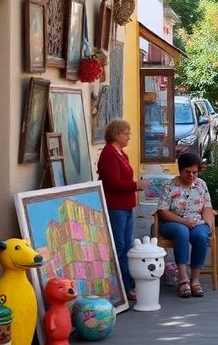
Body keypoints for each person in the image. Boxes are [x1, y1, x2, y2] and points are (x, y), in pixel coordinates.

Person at [97, 118, 148, 302]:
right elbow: (115, 182)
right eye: (126, 134)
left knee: (126, 246)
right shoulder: (109, 154)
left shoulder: (121, 153)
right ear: (116, 134)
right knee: (118, 246)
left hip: (126, 205)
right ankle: (119, 286)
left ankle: (126, 285)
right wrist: (136, 185)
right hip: (116, 206)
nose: (128, 137)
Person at [156, 152, 215, 298]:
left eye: (195, 172)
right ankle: (183, 279)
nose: (191, 176)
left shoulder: (201, 184)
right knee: (182, 232)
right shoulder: (169, 186)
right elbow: (162, 211)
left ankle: (195, 280)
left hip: (197, 222)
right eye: (187, 172)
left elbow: (207, 207)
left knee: (201, 236)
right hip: (173, 222)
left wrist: (208, 225)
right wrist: (183, 221)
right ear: (180, 170)